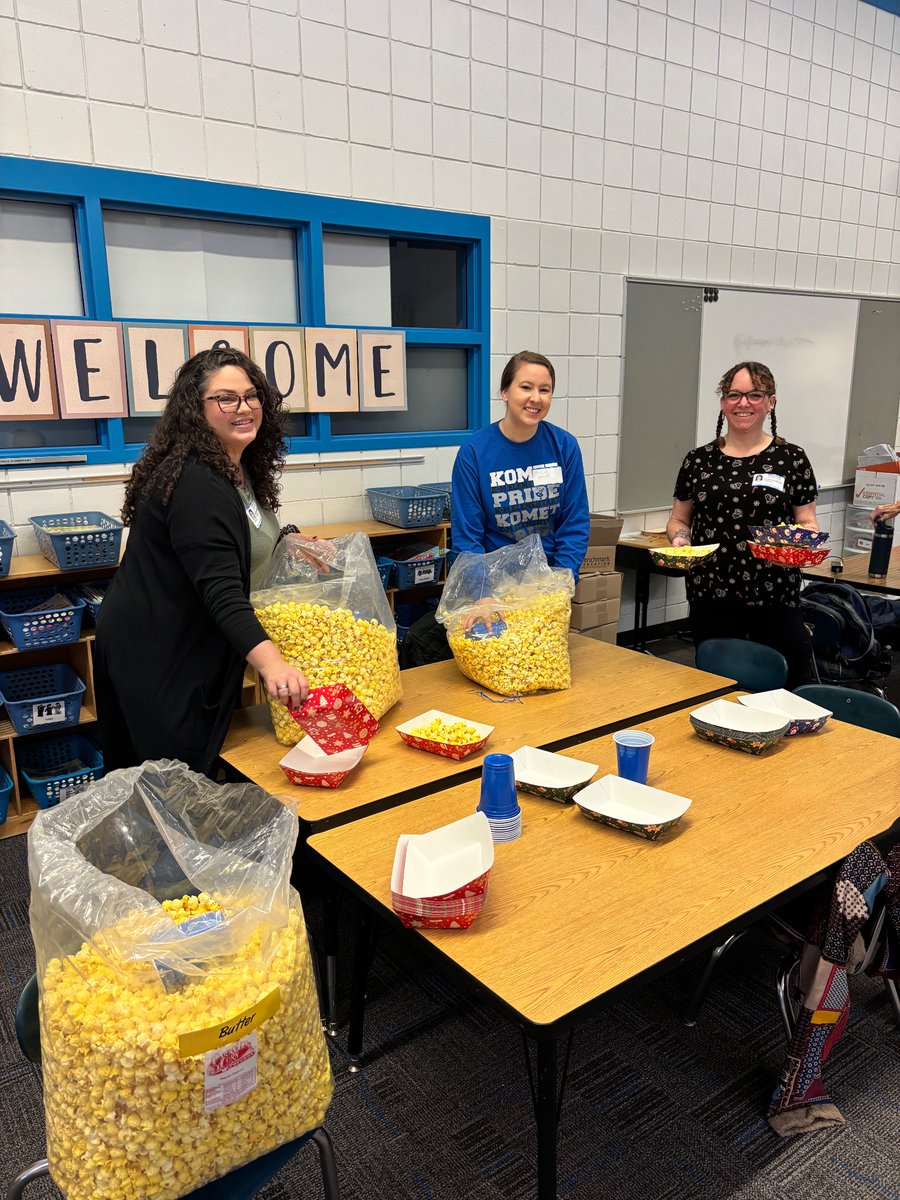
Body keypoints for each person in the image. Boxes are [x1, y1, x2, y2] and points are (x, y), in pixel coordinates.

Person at [95, 346, 309, 776]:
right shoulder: (197, 483)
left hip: (192, 638)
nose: (244, 408)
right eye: (226, 399)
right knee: (171, 776)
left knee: (195, 772)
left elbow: (237, 537)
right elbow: (222, 590)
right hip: (159, 648)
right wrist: (272, 664)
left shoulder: (237, 466)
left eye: (252, 396)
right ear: (196, 409)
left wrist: (288, 540)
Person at [401, 351, 590, 665]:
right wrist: (482, 594)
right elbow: (468, 538)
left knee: (528, 665)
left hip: (545, 585)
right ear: (505, 392)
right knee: (419, 642)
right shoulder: (475, 452)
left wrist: (561, 583)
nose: (536, 398)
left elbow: (575, 522)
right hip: (490, 585)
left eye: (545, 390)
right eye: (526, 387)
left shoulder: (564, 446)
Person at [666, 361, 819, 687]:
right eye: (734, 395)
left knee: (788, 691)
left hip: (775, 598)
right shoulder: (698, 460)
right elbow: (680, 518)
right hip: (711, 597)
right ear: (723, 402)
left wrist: (797, 544)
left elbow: (807, 521)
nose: (743, 403)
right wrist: (680, 540)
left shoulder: (791, 459)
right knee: (717, 691)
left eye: (754, 395)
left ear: (771, 401)